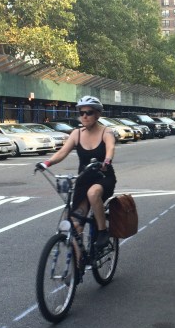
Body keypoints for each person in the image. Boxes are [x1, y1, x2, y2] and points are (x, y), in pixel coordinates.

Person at [36, 96, 116, 248]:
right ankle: (78, 266)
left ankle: (102, 232)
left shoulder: (107, 132)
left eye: (89, 112)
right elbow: (62, 152)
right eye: (81, 112)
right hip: (83, 180)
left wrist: (107, 161)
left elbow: (110, 148)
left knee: (93, 194)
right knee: (75, 225)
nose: (84, 116)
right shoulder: (77, 133)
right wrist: (47, 163)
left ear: (98, 114)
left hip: (103, 177)